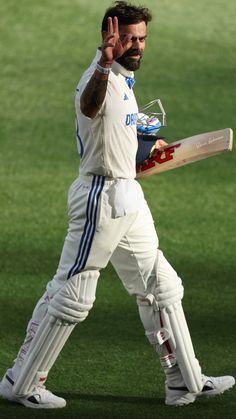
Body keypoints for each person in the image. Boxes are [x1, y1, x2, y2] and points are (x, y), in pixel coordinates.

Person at [0, 0, 234, 410]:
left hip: (128, 195)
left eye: (141, 38)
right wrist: (105, 64)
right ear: (109, 37)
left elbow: (116, 132)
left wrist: (146, 147)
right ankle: (21, 384)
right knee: (72, 293)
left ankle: (185, 381)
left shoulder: (125, 82)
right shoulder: (99, 77)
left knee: (161, 286)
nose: (136, 45)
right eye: (127, 38)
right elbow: (91, 107)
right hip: (100, 198)